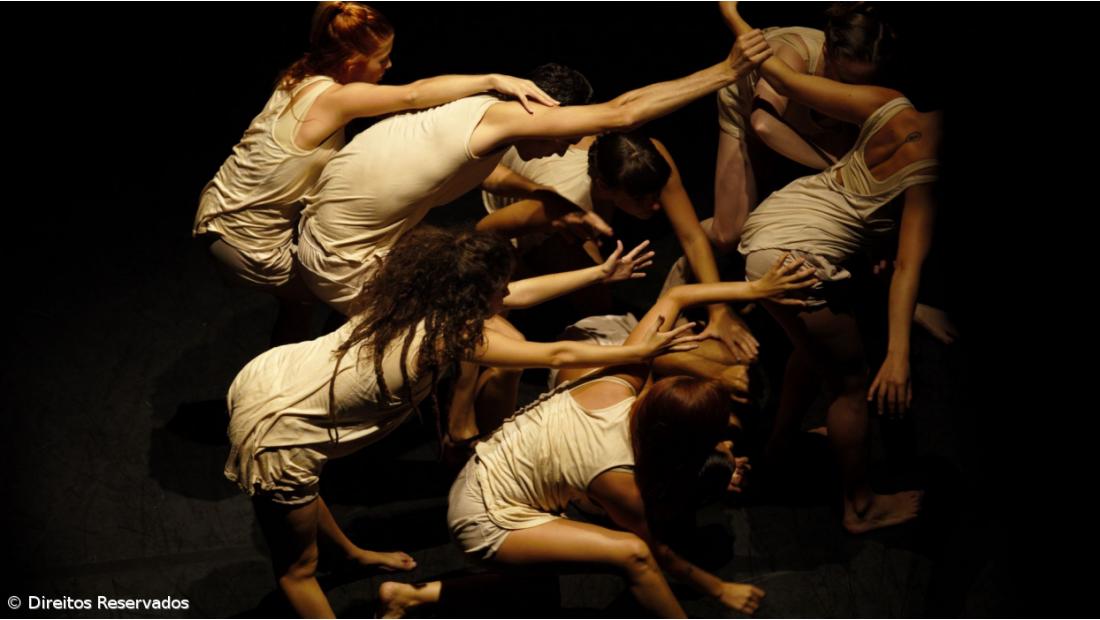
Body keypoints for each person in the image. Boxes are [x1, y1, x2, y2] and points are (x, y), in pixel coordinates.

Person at [223, 227, 699, 618]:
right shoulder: (448, 337)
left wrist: (598, 272)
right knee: (298, 568)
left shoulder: (419, 293)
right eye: (498, 288)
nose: (506, 293)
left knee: (306, 491)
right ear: (474, 295)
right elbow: (555, 354)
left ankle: (348, 554)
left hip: (274, 375)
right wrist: (640, 350)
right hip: (280, 428)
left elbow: (520, 295)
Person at [375, 255, 817, 618]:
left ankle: (410, 597)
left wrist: (758, 289)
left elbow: (677, 296)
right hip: (486, 517)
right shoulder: (616, 475)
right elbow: (659, 553)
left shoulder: (621, 382)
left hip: (483, 475)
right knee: (631, 554)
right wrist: (720, 589)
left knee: (538, 595)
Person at [295, 31, 773, 315]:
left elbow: (437, 123)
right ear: (540, 111)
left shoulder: (476, 115)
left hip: (333, 232)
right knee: (484, 327)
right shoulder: (505, 126)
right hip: (344, 264)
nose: (565, 145)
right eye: (562, 134)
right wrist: (726, 71)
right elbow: (624, 112)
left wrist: (545, 197)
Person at [193, 1, 556, 343]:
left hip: (216, 213)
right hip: (244, 244)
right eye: (382, 59)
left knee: (300, 303)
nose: (389, 65)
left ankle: (286, 360)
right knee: (367, 294)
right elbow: (413, 95)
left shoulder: (301, 75)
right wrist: (491, 79)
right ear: (353, 64)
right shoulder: (335, 100)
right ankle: (327, 373)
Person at [725, 2, 938, 533]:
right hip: (795, 253)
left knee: (813, 348)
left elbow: (782, 77)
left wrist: (733, 14)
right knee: (850, 383)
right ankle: (860, 506)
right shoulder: (925, 177)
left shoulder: (890, 104)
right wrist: (898, 356)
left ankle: (778, 448)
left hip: (778, 221)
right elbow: (906, 265)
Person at [479, 128, 760, 362]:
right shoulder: (563, 201)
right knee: (594, 298)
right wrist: (519, 272)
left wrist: (718, 310)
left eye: (655, 194)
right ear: (604, 187)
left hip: (586, 209)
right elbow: (484, 231)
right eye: (640, 199)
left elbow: (692, 236)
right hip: (534, 226)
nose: (656, 205)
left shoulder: (648, 156)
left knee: (599, 274)